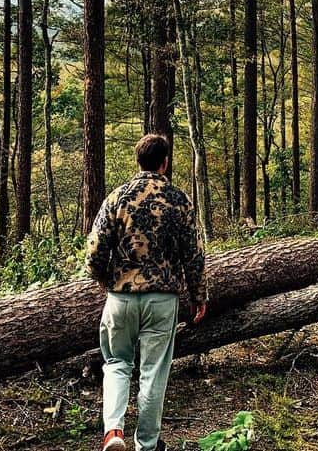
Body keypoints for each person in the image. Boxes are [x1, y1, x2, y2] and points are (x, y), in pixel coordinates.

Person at [86, 133, 208, 451]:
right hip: (163, 298)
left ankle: (113, 432)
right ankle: (148, 445)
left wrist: (105, 280)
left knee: (116, 363)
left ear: (138, 160)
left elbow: (95, 250)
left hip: (121, 297)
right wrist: (199, 296)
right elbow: (193, 254)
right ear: (164, 162)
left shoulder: (117, 197)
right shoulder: (179, 200)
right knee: (154, 371)